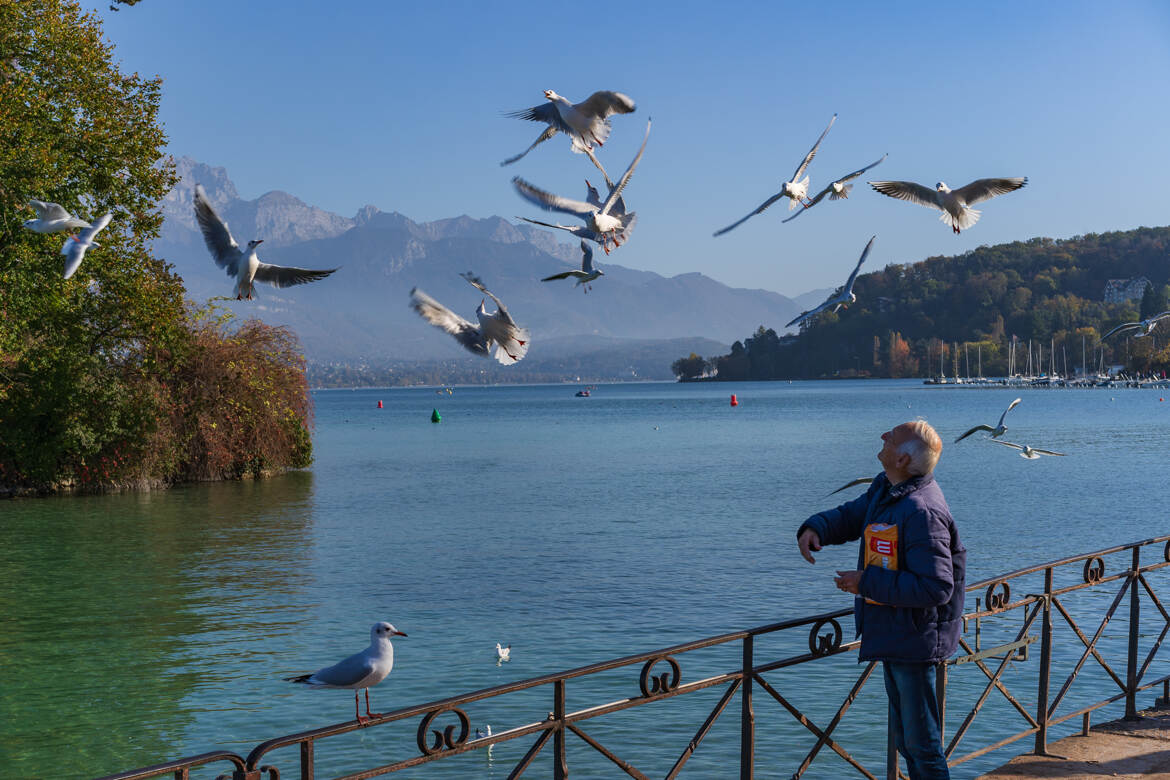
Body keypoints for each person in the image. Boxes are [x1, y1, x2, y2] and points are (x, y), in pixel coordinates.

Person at [796, 420, 966, 780]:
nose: (883, 437)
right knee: (908, 741)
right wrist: (816, 528)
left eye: (892, 436)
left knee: (922, 745)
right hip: (897, 633)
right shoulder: (888, 488)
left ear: (903, 459)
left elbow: (936, 587)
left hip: (916, 640)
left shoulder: (922, 511)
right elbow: (853, 514)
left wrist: (866, 583)